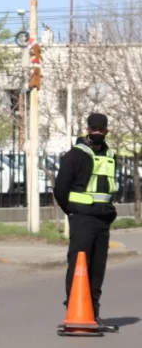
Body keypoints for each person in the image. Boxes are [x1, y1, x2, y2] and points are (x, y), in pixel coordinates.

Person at [53, 112, 117, 326]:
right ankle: (74, 310)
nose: (97, 133)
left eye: (101, 129)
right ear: (87, 130)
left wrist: (108, 211)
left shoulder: (110, 156)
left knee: (98, 268)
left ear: (106, 131)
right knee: (79, 264)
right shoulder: (76, 155)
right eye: (93, 129)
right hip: (81, 218)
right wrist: (72, 211)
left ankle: (93, 313)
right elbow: (61, 189)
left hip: (102, 220)